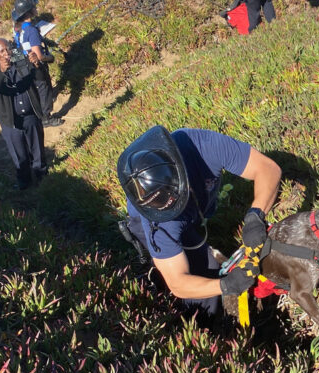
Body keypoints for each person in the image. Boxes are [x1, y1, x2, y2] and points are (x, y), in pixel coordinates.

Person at [117, 125, 282, 315]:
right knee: (205, 283)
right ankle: (206, 323)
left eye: (174, 199)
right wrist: (227, 284)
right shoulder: (157, 222)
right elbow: (179, 283)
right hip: (162, 227)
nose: (173, 209)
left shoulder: (201, 145)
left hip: (195, 212)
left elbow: (267, 169)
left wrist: (255, 217)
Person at [0, 38, 47, 190]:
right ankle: (24, 182)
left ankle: (43, 178)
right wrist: (1, 72)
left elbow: (40, 78)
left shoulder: (20, 58)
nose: (6, 53)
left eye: (8, 48)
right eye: (1, 51)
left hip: (30, 114)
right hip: (10, 119)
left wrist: (37, 65)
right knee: (19, 155)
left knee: (37, 149)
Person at [12, 0, 63, 128]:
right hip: (36, 66)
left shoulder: (19, 28)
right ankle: (46, 118)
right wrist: (50, 57)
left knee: (37, 91)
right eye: (33, 7)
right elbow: (39, 56)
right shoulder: (32, 30)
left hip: (25, 66)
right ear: (28, 12)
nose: (36, 8)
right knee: (44, 90)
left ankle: (41, 115)